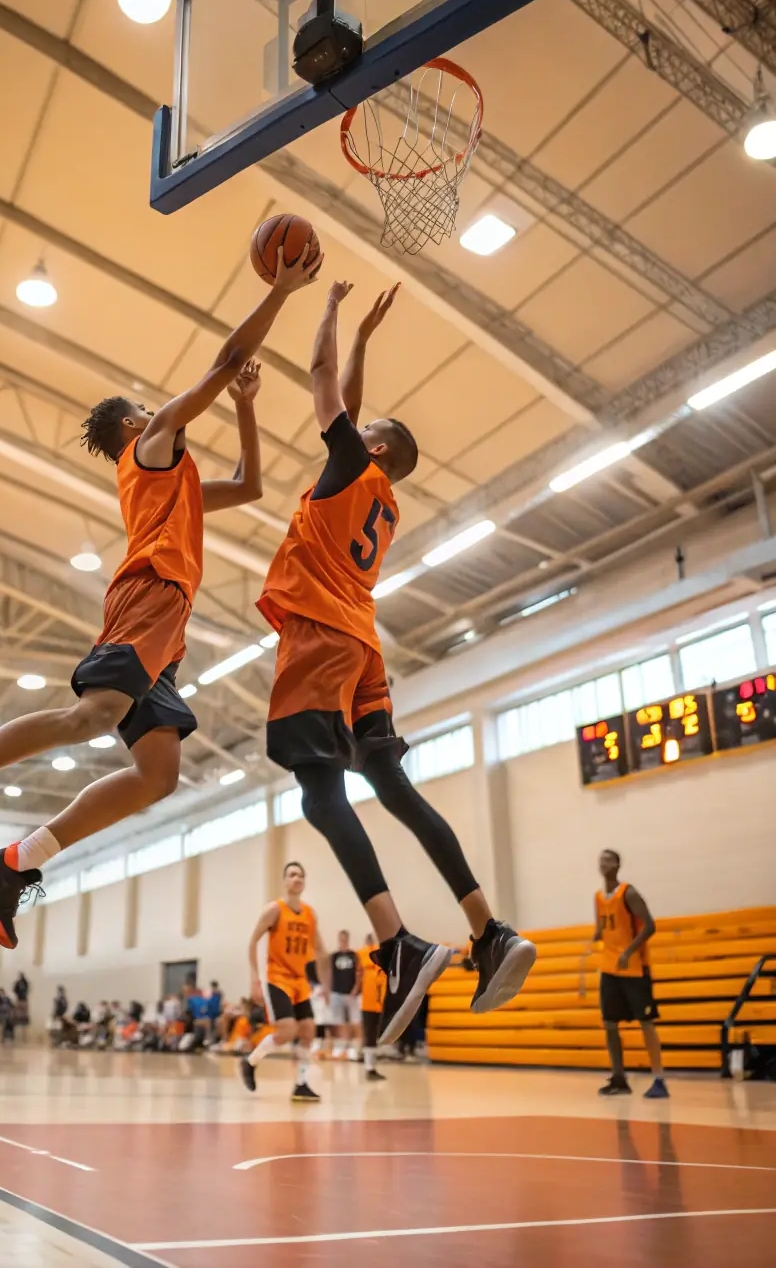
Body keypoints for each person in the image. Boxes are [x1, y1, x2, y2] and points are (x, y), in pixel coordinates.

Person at [0, 246, 321, 950]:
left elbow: (251, 485)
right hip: (148, 597)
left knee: (158, 774)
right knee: (93, 716)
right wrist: (282, 292)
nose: (161, 409)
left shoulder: (174, 483)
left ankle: (13, 866)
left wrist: (247, 409)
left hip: (166, 627)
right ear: (136, 427)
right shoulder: (150, 452)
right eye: (149, 408)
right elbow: (227, 357)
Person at [257, 280, 536, 1045]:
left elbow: (321, 383)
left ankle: (399, 944)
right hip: (363, 646)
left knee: (320, 796)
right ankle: (489, 931)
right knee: (393, 788)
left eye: (365, 425)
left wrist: (330, 313)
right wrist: (366, 341)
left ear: (372, 445)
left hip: (319, 635)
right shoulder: (374, 486)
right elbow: (347, 398)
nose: (354, 420)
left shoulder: (353, 463)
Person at [242, 860, 327, 1103]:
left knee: (309, 1030)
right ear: (285, 881)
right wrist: (255, 979)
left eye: (300, 875)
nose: (297, 878)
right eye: (292, 874)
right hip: (278, 978)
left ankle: (301, 1084)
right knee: (289, 1030)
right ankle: (250, 1062)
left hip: (300, 981)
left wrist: (325, 982)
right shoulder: (275, 909)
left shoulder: (310, 914)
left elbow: (320, 947)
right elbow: (252, 941)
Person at [594, 849, 668, 1099]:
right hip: (609, 968)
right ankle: (619, 1077)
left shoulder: (629, 893)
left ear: (617, 865)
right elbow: (603, 927)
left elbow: (650, 925)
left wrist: (628, 951)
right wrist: (597, 936)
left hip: (634, 968)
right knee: (609, 1023)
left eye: (608, 859)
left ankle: (659, 1079)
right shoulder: (598, 897)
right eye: (601, 859)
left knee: (646, 1023)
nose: (603, 862)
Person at [358, 932, 387, 1081]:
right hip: (368, 1002)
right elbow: (358, 975)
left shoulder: (386, 957)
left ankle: (373, 1063)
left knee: (380, 1033)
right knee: (369, 1033)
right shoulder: (363, 956)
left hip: (384, 1001)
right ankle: (369, 1067)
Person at [329, 930, 362, 1059]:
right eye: (341, 939)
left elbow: (359, 973)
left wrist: (356, 988)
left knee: (355, 1021)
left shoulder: (354, 955)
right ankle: (340, 1047)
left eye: (345, 939)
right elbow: (329, 973)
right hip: (336, 992)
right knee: (339, 1022)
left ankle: (355, 1048)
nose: (343, 942)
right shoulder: (334, 956)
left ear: (348, 940)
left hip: (351, 993)